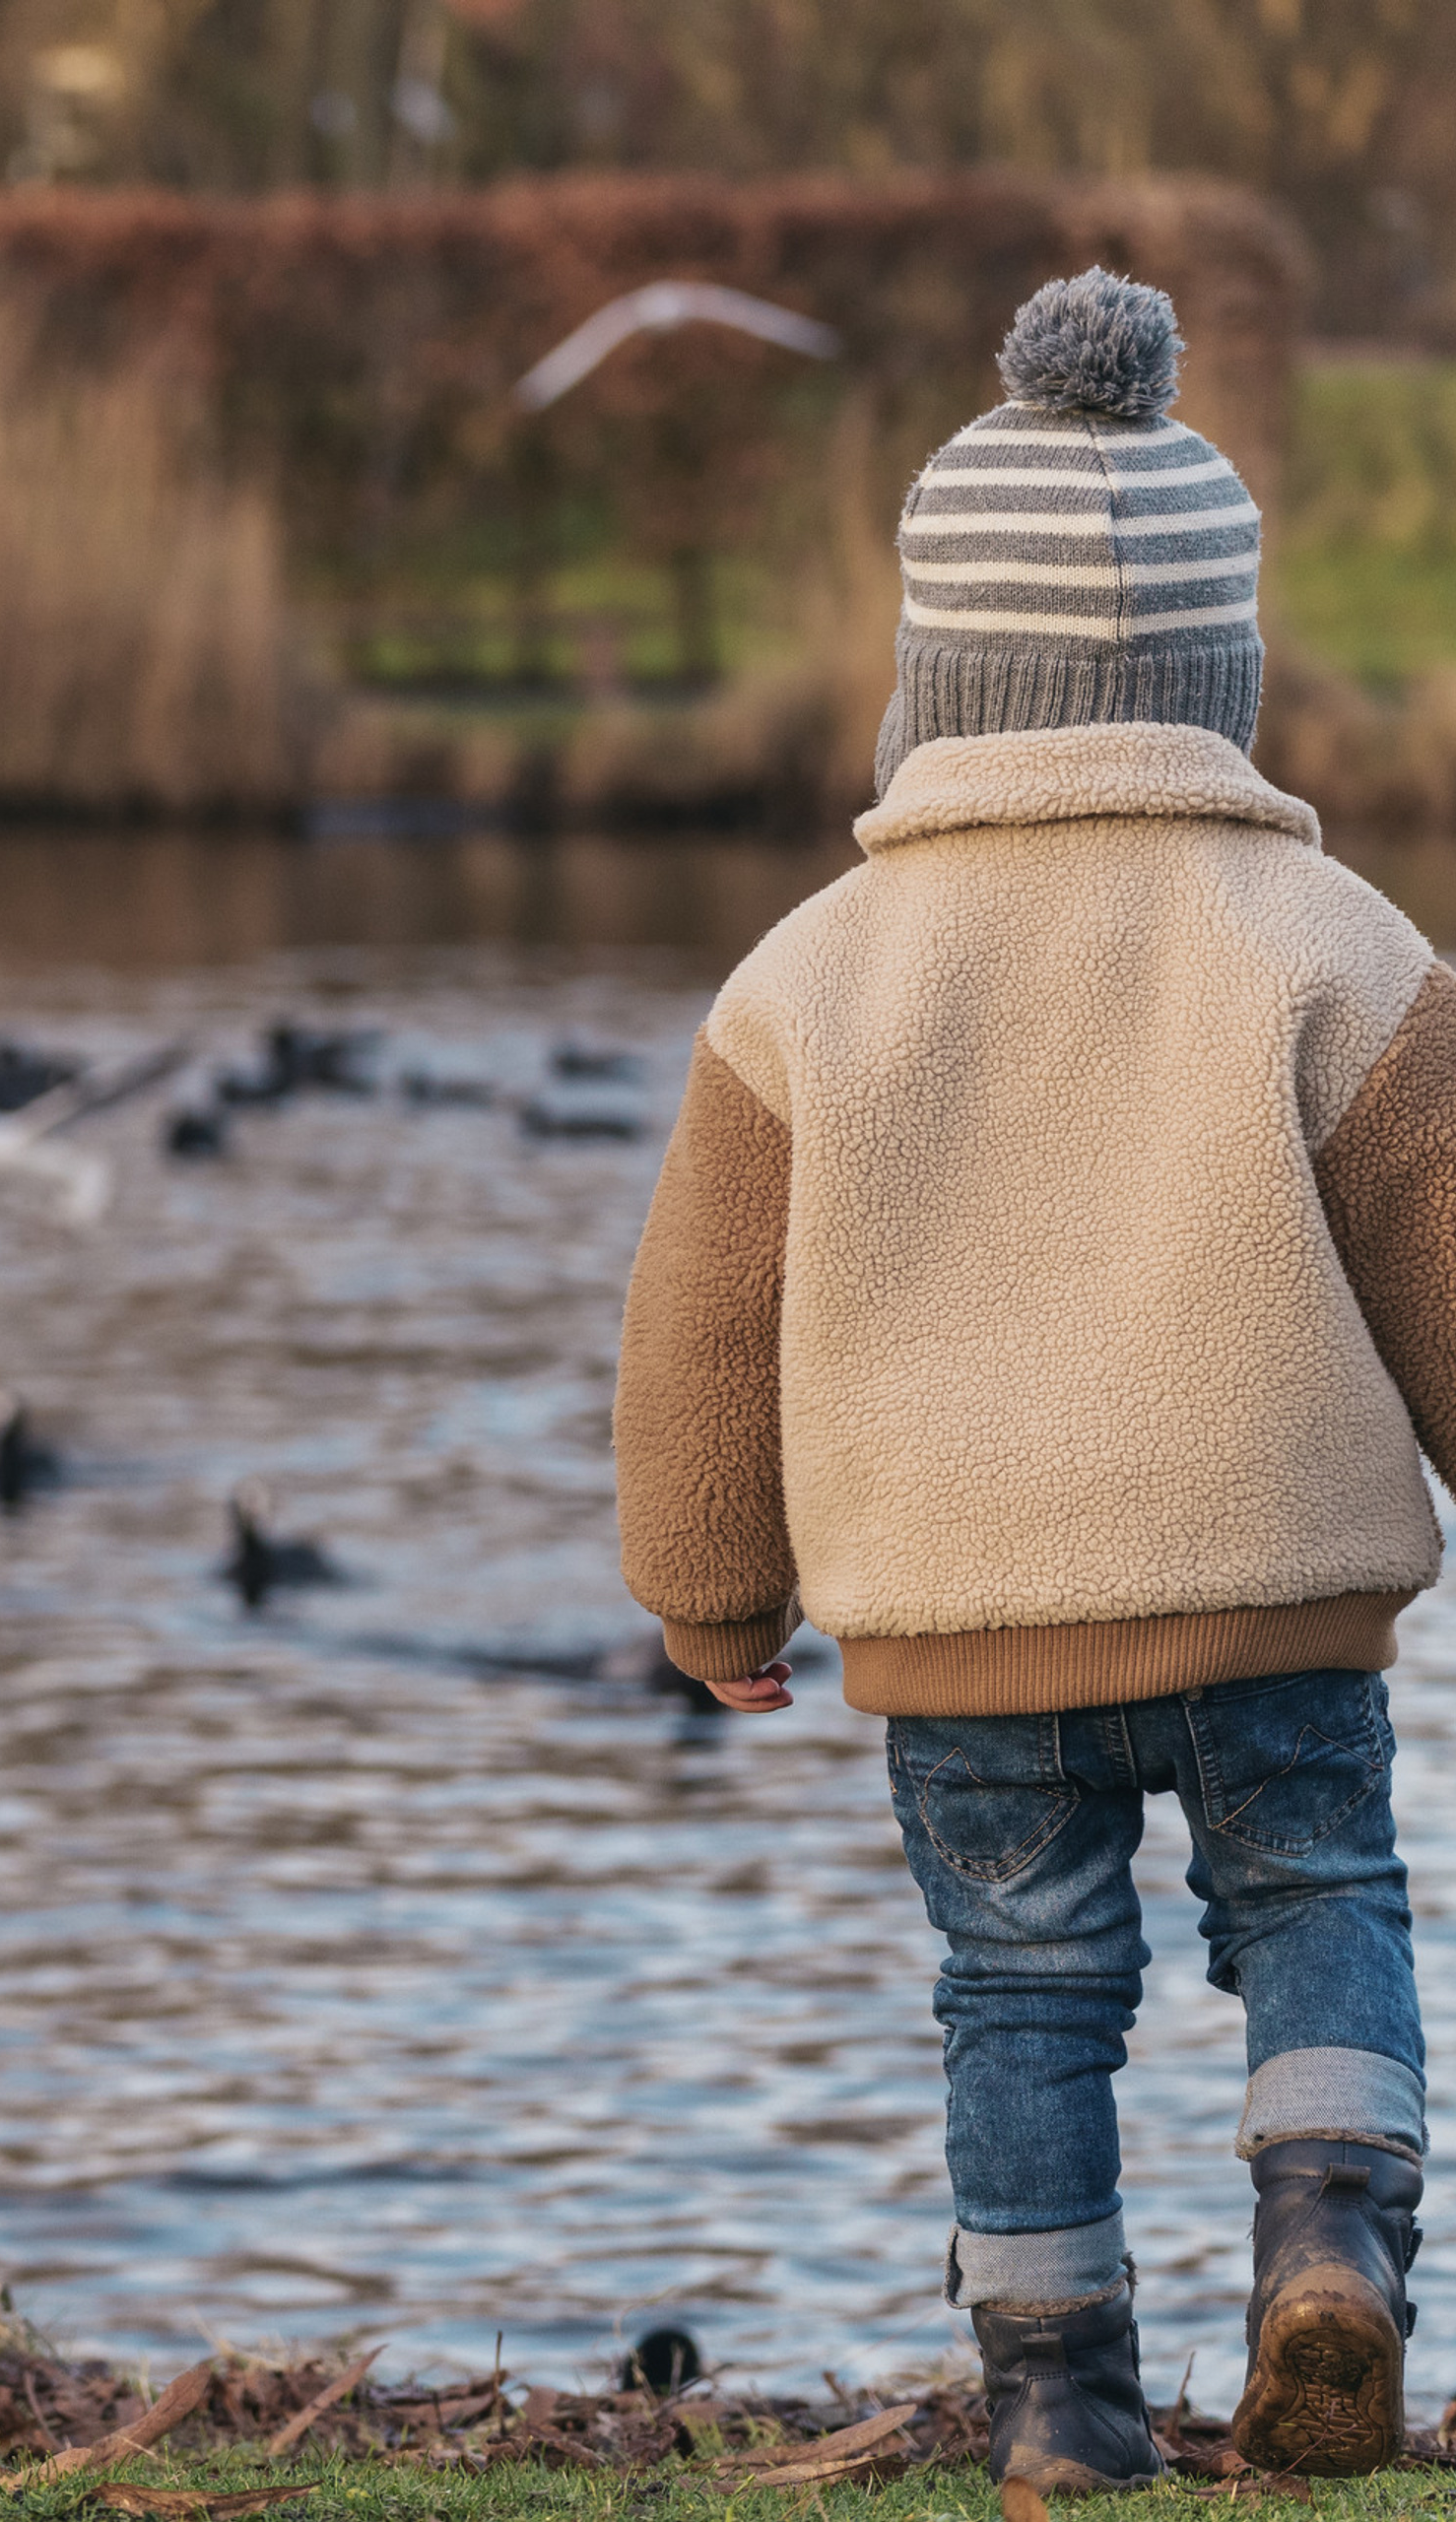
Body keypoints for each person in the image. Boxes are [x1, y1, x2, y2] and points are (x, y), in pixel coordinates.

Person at [613, 267, 1450, 2492]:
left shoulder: (809, 973)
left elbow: (699, 1315)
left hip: (960, 1612)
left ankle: (1060, 2409)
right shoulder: (1336, 938)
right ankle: (1325, 2237)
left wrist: (709, 1593)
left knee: (1015, 1993)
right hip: (1268, 1572)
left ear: (929, 681)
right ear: (1221, 673)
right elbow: (1445, 1254)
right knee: (1315, 1893)